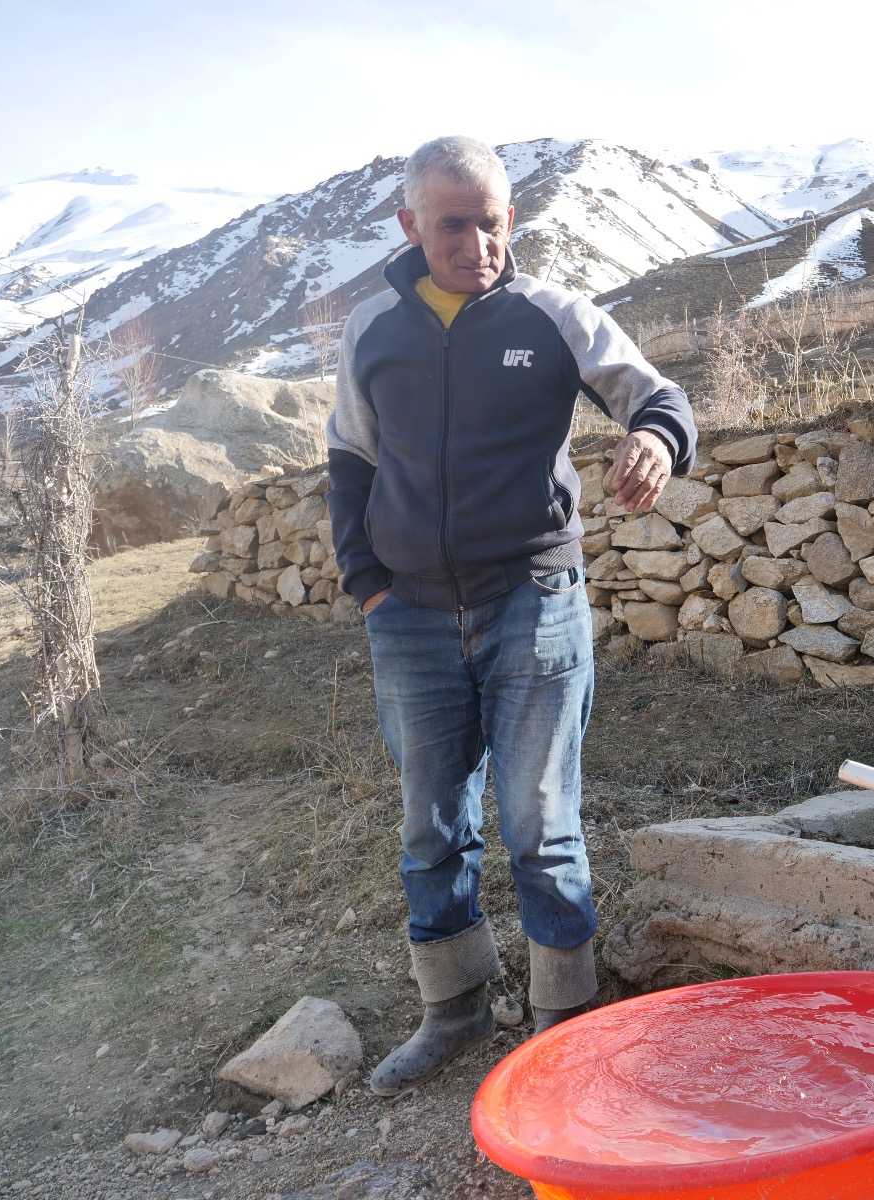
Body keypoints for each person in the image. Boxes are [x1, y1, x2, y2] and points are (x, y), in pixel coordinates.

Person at [325, 135, 696, 1095]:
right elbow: (352, 462)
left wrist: (655, 440)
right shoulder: (372, 327)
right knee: (430, 825)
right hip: (407, 615)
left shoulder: (553, 314)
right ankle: (453, 1010)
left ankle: (562, 1024)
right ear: (410, 225)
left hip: (535, 600)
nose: (478, 245)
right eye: (455, 225)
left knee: (540, 820)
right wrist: (369, 581)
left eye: (493, 224)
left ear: (511, 220)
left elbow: (656, 395)